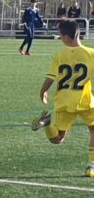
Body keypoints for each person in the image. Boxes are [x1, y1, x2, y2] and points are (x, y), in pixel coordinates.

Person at [31, 19, 94, 177]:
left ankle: (47, 123)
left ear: (66, 36)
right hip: (85, 100)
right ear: (78, 33)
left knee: (57, 139)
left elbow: (51, 77)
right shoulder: (91, 53)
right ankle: (91, 165)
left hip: (64, 101)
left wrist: (43, 90)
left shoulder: (59, 55)